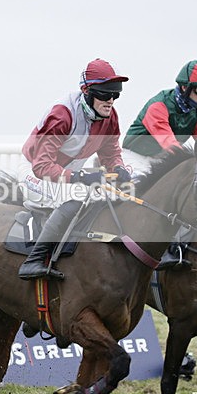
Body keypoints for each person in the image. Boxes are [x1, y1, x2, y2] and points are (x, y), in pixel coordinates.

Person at [18, 58, 132, 281]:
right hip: (34, 172)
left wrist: (119, 168)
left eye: (115, 95)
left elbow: (111, 153)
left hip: (66, 172)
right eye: (104, 94)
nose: (110, 100)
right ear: (87, 91)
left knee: (112, 195)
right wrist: (79, 176)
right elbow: (41, 165)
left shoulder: (110, 117)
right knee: (73, 198)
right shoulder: (63, 114)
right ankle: (34, 260)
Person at [121, 59, 197, 176]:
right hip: (135, 157)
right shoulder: (158, 105)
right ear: (185, 87)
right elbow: (169, 143)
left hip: (160, 160)